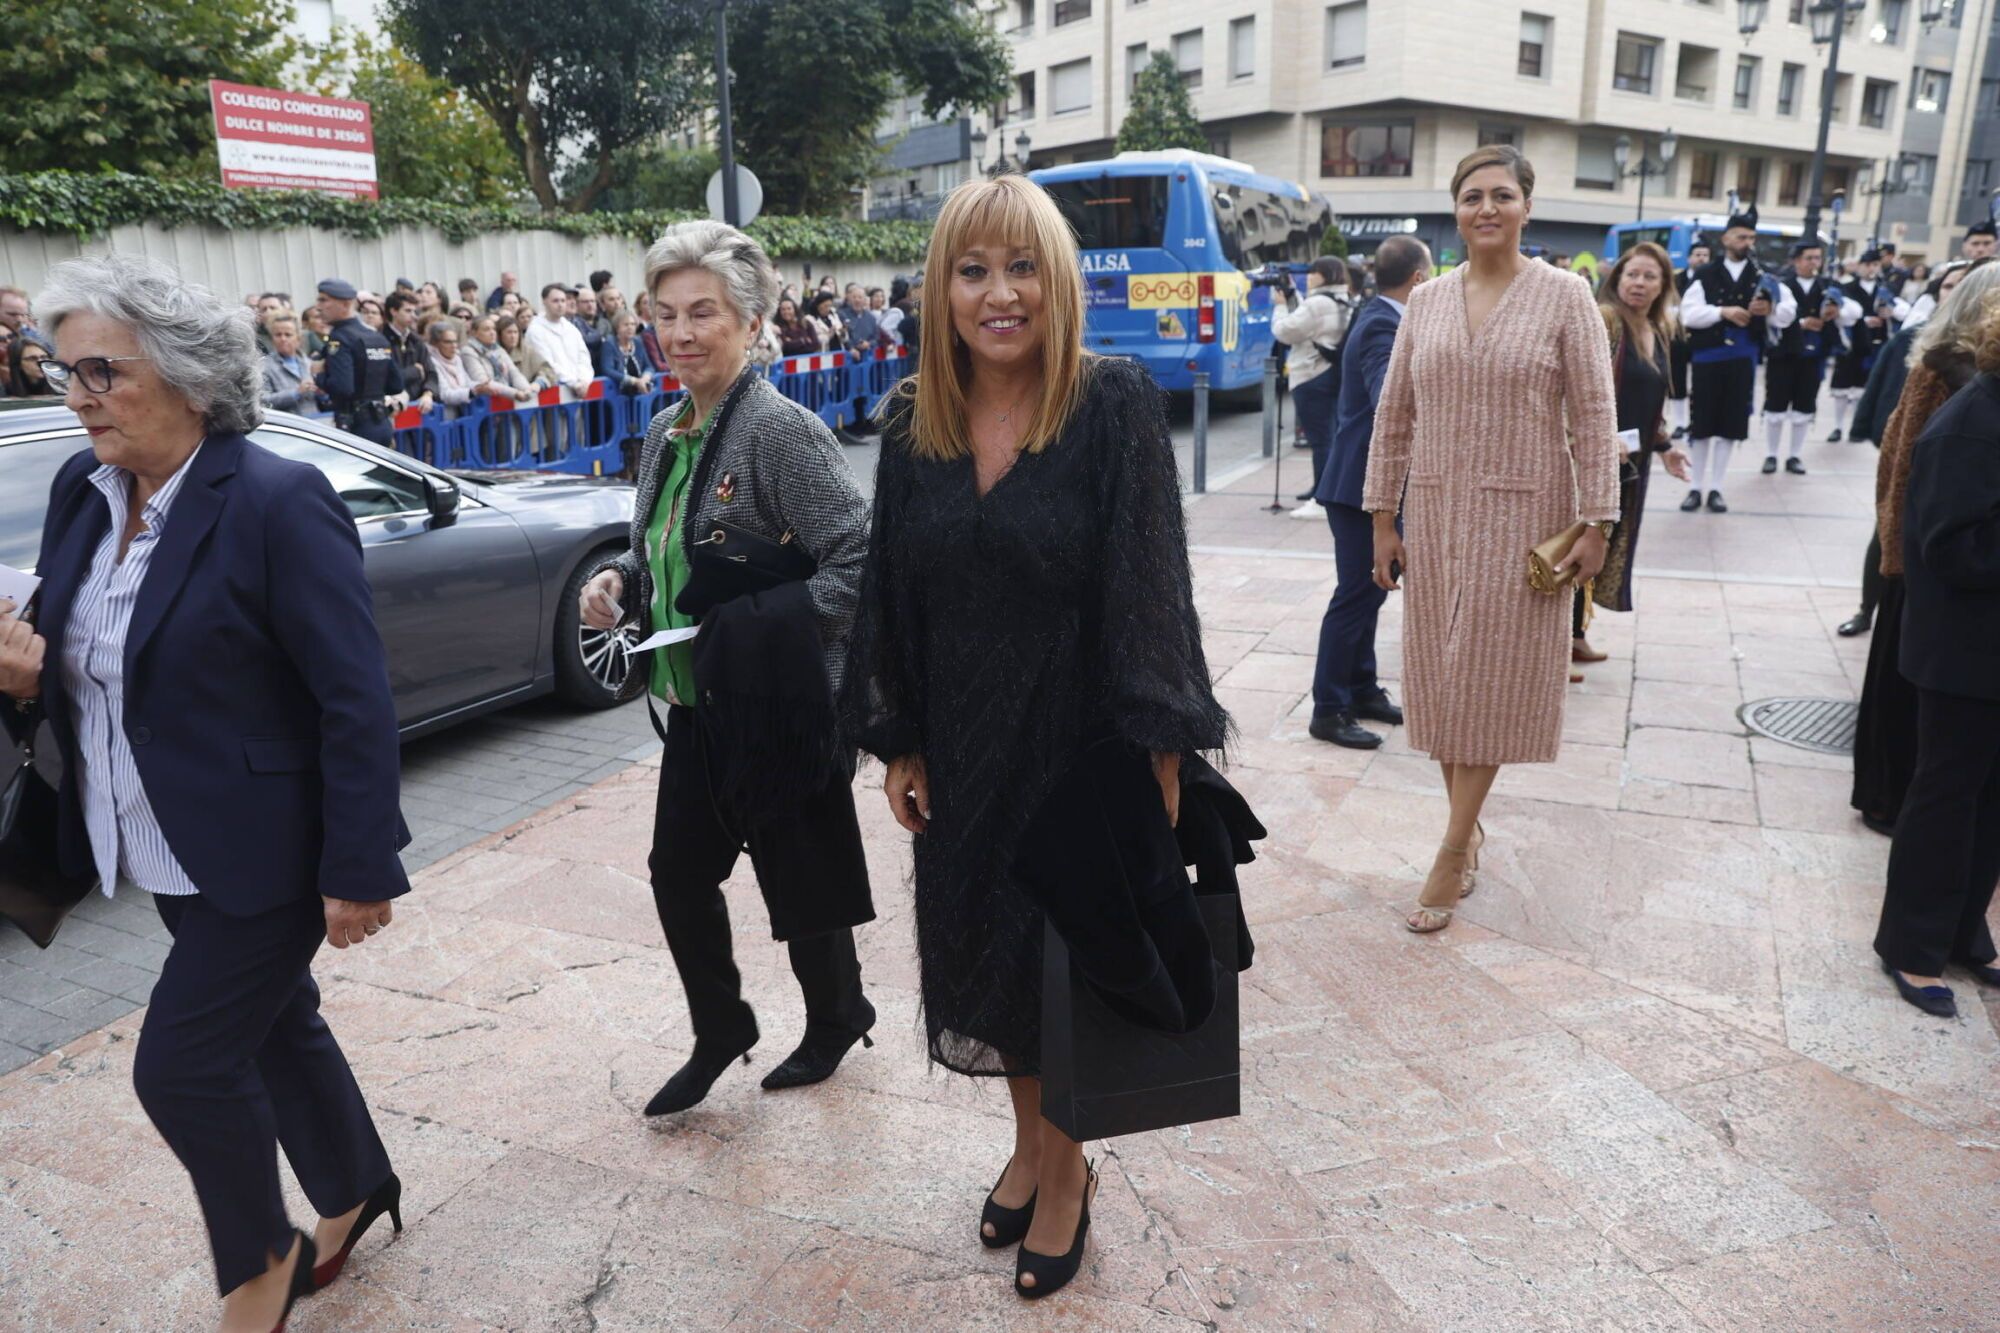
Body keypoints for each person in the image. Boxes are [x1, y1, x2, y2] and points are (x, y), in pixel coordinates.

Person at [841, 176, 1232, 1301]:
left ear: (1056, 282)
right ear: (940, 288)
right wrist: (901, 738)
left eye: (1021, 269)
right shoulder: (911, 416)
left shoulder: (1108, 406)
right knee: (990, 967)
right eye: (972, 270)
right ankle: (1029, 1141)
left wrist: (1159, 752)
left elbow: (1149, 586)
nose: (997, 294)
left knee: (1071, 968)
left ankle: (1065, 1173)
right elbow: (890, 597)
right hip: (962, 750)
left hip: (1081, 746)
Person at [0, 252, 407, 1333]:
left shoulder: (275, 498)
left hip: (269, 848)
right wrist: (22, 677)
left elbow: (353, 697)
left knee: (181, 1066)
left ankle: (257, 1254)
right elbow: (83, 663)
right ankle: (360, 1181)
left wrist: (360, 864)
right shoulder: (82, 493)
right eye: (62, 370)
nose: (75, 397)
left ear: (185, 376)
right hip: (151, 833)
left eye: (100, 372)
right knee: (278, 1024)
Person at [576, 221, 877, 1118]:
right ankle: (722, 1026)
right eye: (664, 314)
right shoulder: (665, 429)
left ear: (750, 320)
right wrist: (616, 583)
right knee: (678, 872)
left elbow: (865, 565)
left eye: (703, 311)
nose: (681, 333)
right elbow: (652, 554)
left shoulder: (782, 433)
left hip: (779, 701)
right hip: (700, 707)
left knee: (802, 877)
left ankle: (836, 1015)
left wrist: (755, 627)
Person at [1364, 144, 1620, 933]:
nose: (1486, 208)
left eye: (1501, 195)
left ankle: (1447, 849)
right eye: (1472, 196)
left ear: (1526, 207)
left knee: (1493, 676)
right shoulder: (1429, 301)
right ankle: (1466, 826)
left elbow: (1595, 415)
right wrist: (1382, 515)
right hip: (1436, 513)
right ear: (1456, 208)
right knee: (1443, 675)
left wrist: (1598, 521)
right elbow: (1395, 414)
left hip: (1528, 517)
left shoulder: (1565, 296)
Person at [1871, 295, 2000, 1020]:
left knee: (1992, 798)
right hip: (1964, 649)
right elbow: (1950, 548)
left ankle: (1963, 931)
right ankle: (1912, 946)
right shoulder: (1971, 421)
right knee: (1947, 795)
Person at [1851, 260, 2000, 837]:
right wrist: (1896, 549)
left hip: (1920, 553)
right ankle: (1886, 796)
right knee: (1905, 694)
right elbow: (1900, 463)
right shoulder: (1945, 370)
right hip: (1923, 557)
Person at [1307, 237, 1429, 749]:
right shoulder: (1384, 322)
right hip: (1360, 482)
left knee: (1372, 590)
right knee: (1356, 594)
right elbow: (1388, 396)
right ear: (1420, 280)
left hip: (1364, 478)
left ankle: (1360, 688)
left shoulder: (1382, 314)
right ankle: (1329, 708)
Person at [1837, 260, 1985, 638]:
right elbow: (1897, 429)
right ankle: (1866, 608)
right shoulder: (1936, 358)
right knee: (1884, 544)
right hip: (1923, 510)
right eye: (1948, 284)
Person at [1579, 243, 1697, 645]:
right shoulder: (1607, 319)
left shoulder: (1659, 332)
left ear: (1663, 285)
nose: (1639, 284)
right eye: (1632, 274)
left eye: (1650, 277)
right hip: (1594, 458)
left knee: (1606, 545)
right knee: (1581, 541)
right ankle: (1560, 638)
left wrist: (1665, 447)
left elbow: (1651, 401)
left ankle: (1575, 635)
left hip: (1632, 460)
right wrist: (1598, 438)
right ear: (1617, 278)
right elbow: (1577, 388)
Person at [1681, 203, 1795, 513]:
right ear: (1727, 238)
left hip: (1743, 359)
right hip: (1708, 357)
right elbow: (1688, 315)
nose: (1748, 243)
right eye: (1742, 236)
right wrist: (1723, 311)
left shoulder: (1762, 277)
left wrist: (1769, 310)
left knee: (1730, 424)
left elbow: (1787, 314)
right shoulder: (1705, 274)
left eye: (1751, 238)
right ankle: (1695, 486)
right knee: (1702, 424)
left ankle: (1716, 487)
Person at [1760, 237, 1859, 477]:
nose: (1814, 263)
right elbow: (1769, 315)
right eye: (1809, 258)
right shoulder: (1782, 285)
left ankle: (1794, 455)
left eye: (1817, 257)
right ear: (1796, 261)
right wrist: (1801, 323)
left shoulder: (1828, 285)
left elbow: (1852, 312)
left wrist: (1836, 311)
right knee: (1776, 405)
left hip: (1814, 357)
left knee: (1804, 406)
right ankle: (1771, 454)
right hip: (1783, 354)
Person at [1273, 256, 1355, 513]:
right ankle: (1320, 487)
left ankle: (1321, 498)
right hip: (1331, 373)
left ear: (1326, 274)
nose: (1308, 276)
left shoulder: (1317, 303)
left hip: (1310, 375)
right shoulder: (1342, 299)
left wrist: (1279, 307)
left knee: (1320, 440)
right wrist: (1292, 295)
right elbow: (1308, 321)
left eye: (1313, 272)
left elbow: (1286, 331)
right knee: (1327, 436)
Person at [1827, 248, 1907, 441]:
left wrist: (1890, 313)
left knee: (1864, 387)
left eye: (1875, 265)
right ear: (1860, 266)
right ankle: (1837, 427)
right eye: (1867, 265)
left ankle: (1857, 425)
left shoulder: (1886, 288)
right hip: (1852, 343)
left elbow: (1900, 310)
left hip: (1877, 344)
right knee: (1843, 386)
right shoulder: (1848, 287)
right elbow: (1843, 311)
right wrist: (1864, 320)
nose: (1871, 269)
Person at [315, 279, 404, 447]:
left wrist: (318, 376)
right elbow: (396, 385)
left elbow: (343, 388)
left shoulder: (340, 338)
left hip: (356, 429)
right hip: (381, 424)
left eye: (324, 300)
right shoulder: (376, 337)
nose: (318, 306)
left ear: (345, 304)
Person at [1903, 221, 1997, 327]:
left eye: (1987, 243)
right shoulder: (1948, 273)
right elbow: (1916, 321)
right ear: (1965, 246)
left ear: (1996, 244)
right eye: (1975, 244)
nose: (1980, 249)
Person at [526, 283, 594, 399]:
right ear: (544, 302)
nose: (560, 305)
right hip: (551, 395)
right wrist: (573, 383)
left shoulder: (571, 328)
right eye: (555, 301)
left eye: (563, 301)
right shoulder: (535, 330)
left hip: (578, 392)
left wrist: (584, 380)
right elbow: (547, 363)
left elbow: (583, 357)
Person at [381, 292, 436, 413]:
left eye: (414, 311)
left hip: (419, 406)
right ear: (393, 311)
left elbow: (431, 372)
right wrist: (415, 371)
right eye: (408, 311)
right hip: (393, 407)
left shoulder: (416, 341)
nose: (414, 316)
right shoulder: (380, 340)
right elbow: (387, 378)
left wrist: (428, 394)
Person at [259, 312, 319, 415]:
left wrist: (321, 393)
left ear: (298, 339)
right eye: (278, 335)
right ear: (272, 339)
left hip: (314, 424)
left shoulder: (309, 363)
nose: (283, 339)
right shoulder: (264, 366)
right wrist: (296, 392)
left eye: (288, 335)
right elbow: (263, 401)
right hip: (287, 426)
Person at [466, 315, 536, 401]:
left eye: (493, 329)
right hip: (485, 403)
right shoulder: (468, 351)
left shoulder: (498, 349)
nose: (492, 333)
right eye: (486, 329)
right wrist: (515, 393)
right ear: (474, 333)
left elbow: (514, 372)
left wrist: (527, 389)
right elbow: (483, 381)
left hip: (504, 400)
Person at [425, 319, 484, 417]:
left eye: (455, 342)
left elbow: (466, 382)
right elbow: (444, 394)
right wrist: (472, 392)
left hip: (463, 413)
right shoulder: (431, 361)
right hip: (444, 417)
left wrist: (480, 386)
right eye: (448, 342)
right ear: (435, 343)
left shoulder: (457, 358)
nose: (453, 346)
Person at [599, 311, 658, 393]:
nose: (630, 327)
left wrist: (645, 378)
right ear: (617, 327)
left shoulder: (638, 342)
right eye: (626, 324)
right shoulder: (610, 343)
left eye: (633, 324)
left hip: (640, 392)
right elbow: (608, 370)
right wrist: (634, 381)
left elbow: (649, 366)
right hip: (617, 394)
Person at [7, 331, 58, 397]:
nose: (40, 362)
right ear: (19, 364)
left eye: (44, 357)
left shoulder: (62, 387)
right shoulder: (7, 391)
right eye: (32, 358)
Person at [572, 286, 607, 366]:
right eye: (585, 302)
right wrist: (600, 337)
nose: (590, 304)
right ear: (577, 304)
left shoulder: (604, 323)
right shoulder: (574, 323)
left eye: (592, 301)